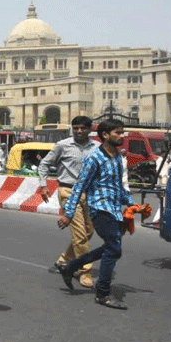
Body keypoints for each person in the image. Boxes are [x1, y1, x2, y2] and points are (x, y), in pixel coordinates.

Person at [57, 119, 150, 310]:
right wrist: (68, 214)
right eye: (117, 133)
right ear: (105, 135)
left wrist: (133, 204)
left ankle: (70, 266)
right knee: (114, 250)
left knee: (109, 247)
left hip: (115, 209)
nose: (121, 136)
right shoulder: (93, 159)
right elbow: (79, 186)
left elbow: (117, 186)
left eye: (122, 133)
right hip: (99, 209)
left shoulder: (117, 157)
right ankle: (102, 293)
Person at [38, 116, 99, 289]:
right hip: (68, 191)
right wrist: (43, 186)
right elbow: (44, 164)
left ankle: (64, 260)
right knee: (79, 234)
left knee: (88, 231)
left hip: (90, 193)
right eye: (76, 128)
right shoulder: (63, 145)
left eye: (83, 128)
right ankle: (84, 271)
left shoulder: (97, 148)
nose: (79, 131)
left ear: (90, 129)